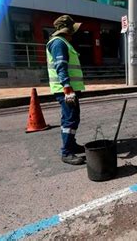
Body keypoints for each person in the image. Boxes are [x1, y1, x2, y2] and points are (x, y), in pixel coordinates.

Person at [46, 15, 86, 165]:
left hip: (67, 88)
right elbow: (60, 66)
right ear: (67, 31)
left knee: (69, 118)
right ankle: (67, 152)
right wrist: (67, 87)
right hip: (65, 89)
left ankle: (71, 145)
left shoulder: (62, 43)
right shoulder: (59, 44)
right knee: (71, 119)